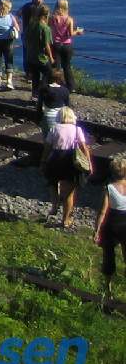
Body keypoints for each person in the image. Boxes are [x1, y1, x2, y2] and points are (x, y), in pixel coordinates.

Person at [42, 107, 90, 229]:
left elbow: (47, 147)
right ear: (72, 116)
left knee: (52, 182)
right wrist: (89, 163)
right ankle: (66, 220)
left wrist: (43, 161)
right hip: (70, 161)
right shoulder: (77, 129)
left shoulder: (54, 128)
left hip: (56, 159)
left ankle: (55, 204)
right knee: (69, 193)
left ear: (59, 116)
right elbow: (84, 147)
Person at [94, 156, 126, 296]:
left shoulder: (109, 188)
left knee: (109, 255)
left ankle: (108, 289)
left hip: (112, 223)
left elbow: (102, 211)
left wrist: (97, 230)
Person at [50, 0, 85, 91]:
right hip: (67, 45)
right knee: (67, 66)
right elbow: (70, 34)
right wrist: (78, 31)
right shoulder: (69, 19)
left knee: (56, 66)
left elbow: (50, 29)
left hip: (56, 44)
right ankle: (71, 87)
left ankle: (54, 84)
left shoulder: (52, 18)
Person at [26, 3, 56, 95]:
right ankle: (42, 93)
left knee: (35, 76)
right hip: (40, 57)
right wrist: (51, 57)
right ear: (46, 15)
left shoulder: (31, 25)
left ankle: (34, 94)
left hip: (31, 56)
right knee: (48, 73)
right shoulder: (45, 28)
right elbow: (46, 44)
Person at [19, 0, 46, 88]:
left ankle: (35, 74)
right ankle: (29, 74)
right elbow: (18, 14)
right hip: (27, 34)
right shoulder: (27, 7)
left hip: (38, 34)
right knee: (27, 54)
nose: (39, 0)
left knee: (37, 54)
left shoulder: (42, 8)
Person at [38, 66, 71, 137]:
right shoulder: (65, 90)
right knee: (58, 142)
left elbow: (39, 106)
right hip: (60, 119)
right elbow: (68, 107)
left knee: (47, 142)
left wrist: (39, 118)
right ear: (60, 78)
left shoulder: (44, 89)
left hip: (48, 117)